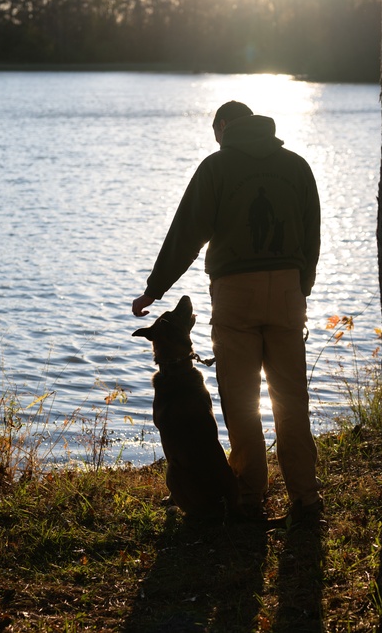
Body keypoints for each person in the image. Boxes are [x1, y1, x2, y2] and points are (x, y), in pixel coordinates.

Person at [132, 100, 322, 524]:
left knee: (241, 401)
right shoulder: (297, 166)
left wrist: (154, 290)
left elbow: (185, 234)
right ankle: (306, 500)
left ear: (222, 128)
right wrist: (301, 289)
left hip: (236, 293)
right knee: (291, 400)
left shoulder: (216, 168)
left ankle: (250, 497)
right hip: (288, 289)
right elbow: (312, 237)